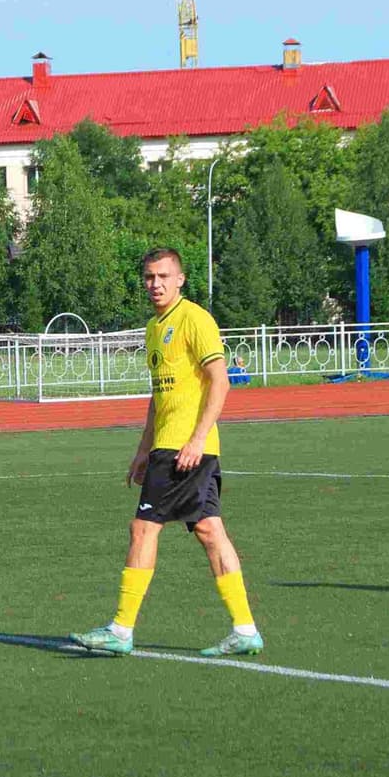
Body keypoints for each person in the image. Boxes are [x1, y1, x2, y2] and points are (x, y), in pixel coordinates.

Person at [72, 248, 263, 659]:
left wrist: (196, 439)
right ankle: (245, 629)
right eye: (148, 277)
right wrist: (142, 449)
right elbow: (159, 398)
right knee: (211, 531)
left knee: (143, 529)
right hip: (170, 447)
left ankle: (121, 629)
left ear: (180, 279)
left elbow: (220, 382)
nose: (155, 284)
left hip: (184, 449)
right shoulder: (154, 328)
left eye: (163, 276)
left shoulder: (193, 318)